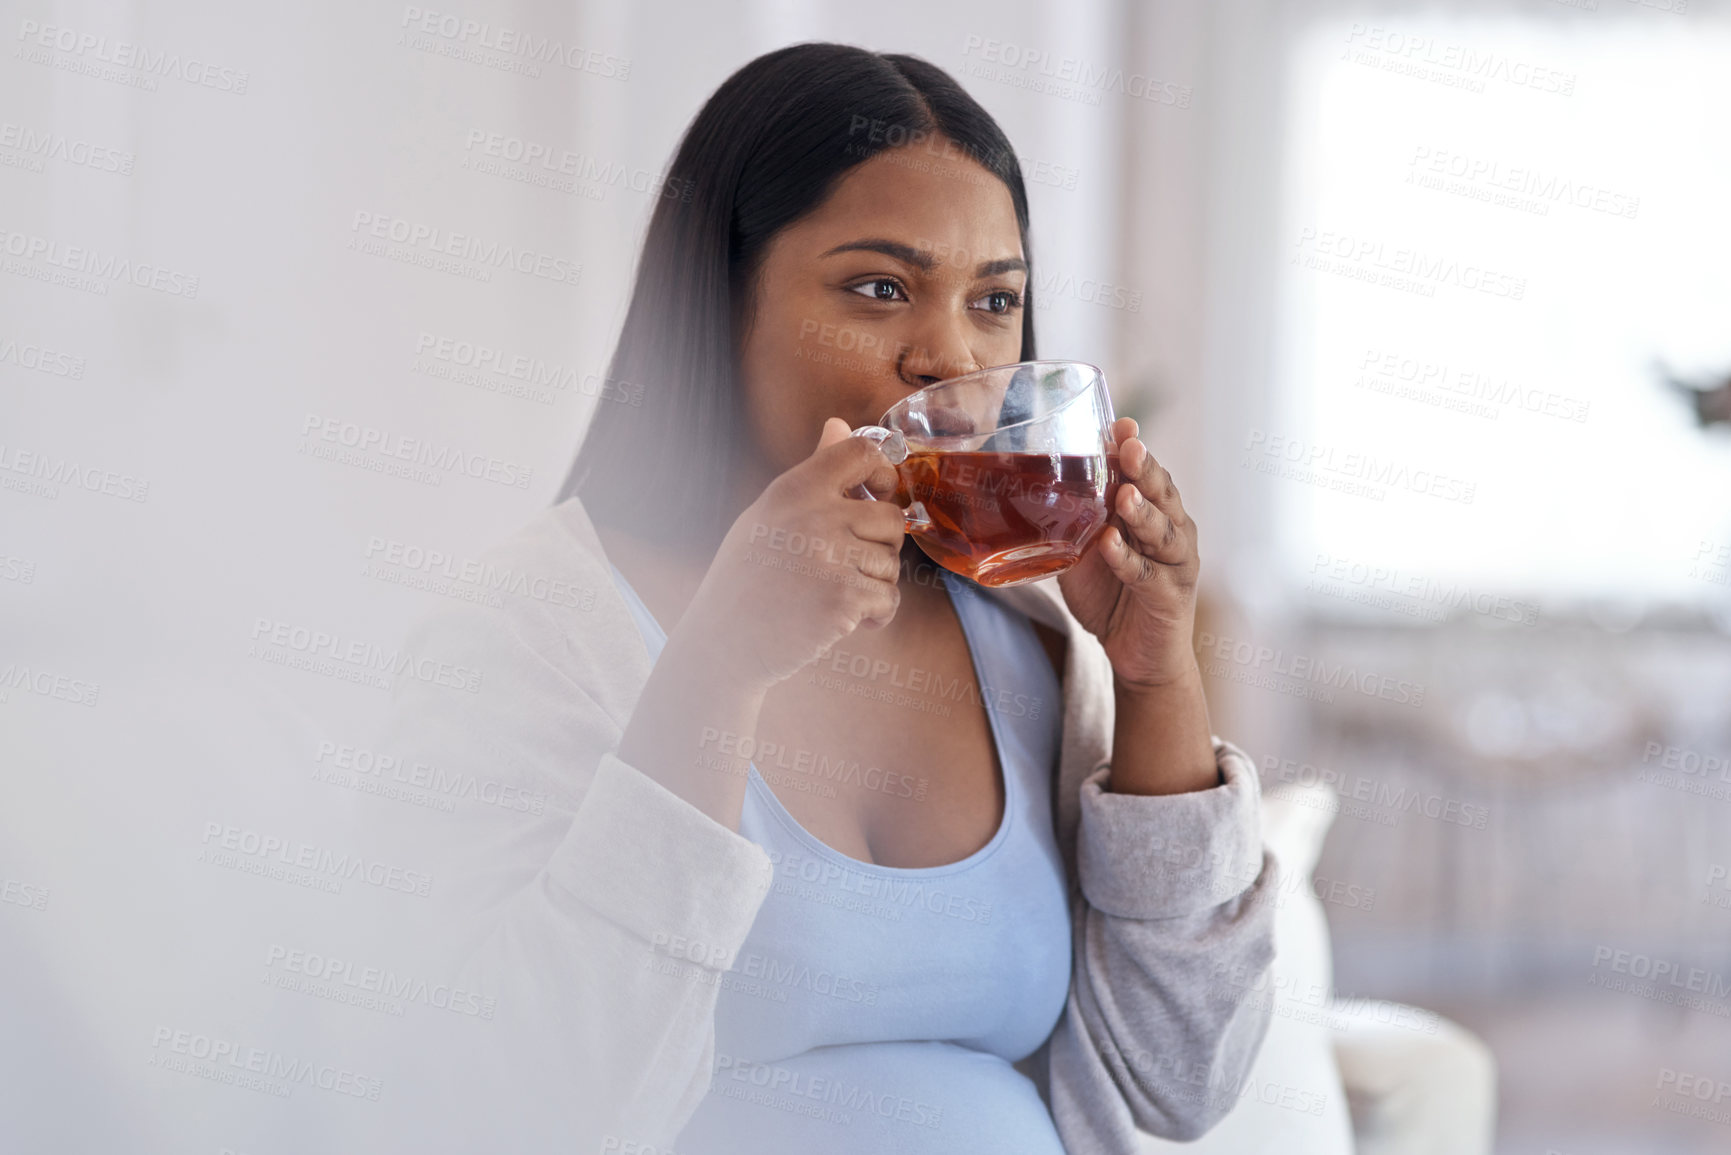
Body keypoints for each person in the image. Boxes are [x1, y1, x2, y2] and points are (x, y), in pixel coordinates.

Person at [370, 41, 1277, 1155]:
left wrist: (1154, 676)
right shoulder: (530, 637)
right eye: (879, 288)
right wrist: (717, 667)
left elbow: (1187, 1080)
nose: (947, 353)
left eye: (995, 300)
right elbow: (513, 1106)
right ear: (718, 297)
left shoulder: (1034, 644)